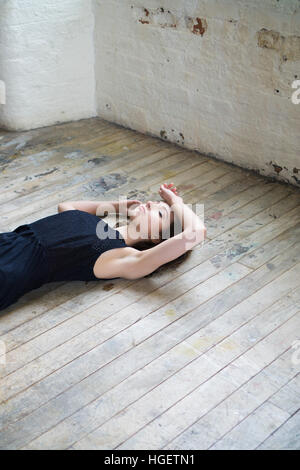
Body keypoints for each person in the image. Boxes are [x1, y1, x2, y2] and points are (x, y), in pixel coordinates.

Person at [0, 183, 206, 311]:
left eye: (160, 214)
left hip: (9, 269)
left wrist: (176, 202)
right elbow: (67, 207)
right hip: (6, 241)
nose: (151, 203)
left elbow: (196, 233)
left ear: (156, 239)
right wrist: (117, 206)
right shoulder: (100, 227)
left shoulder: (122, 257)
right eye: (155, 203)